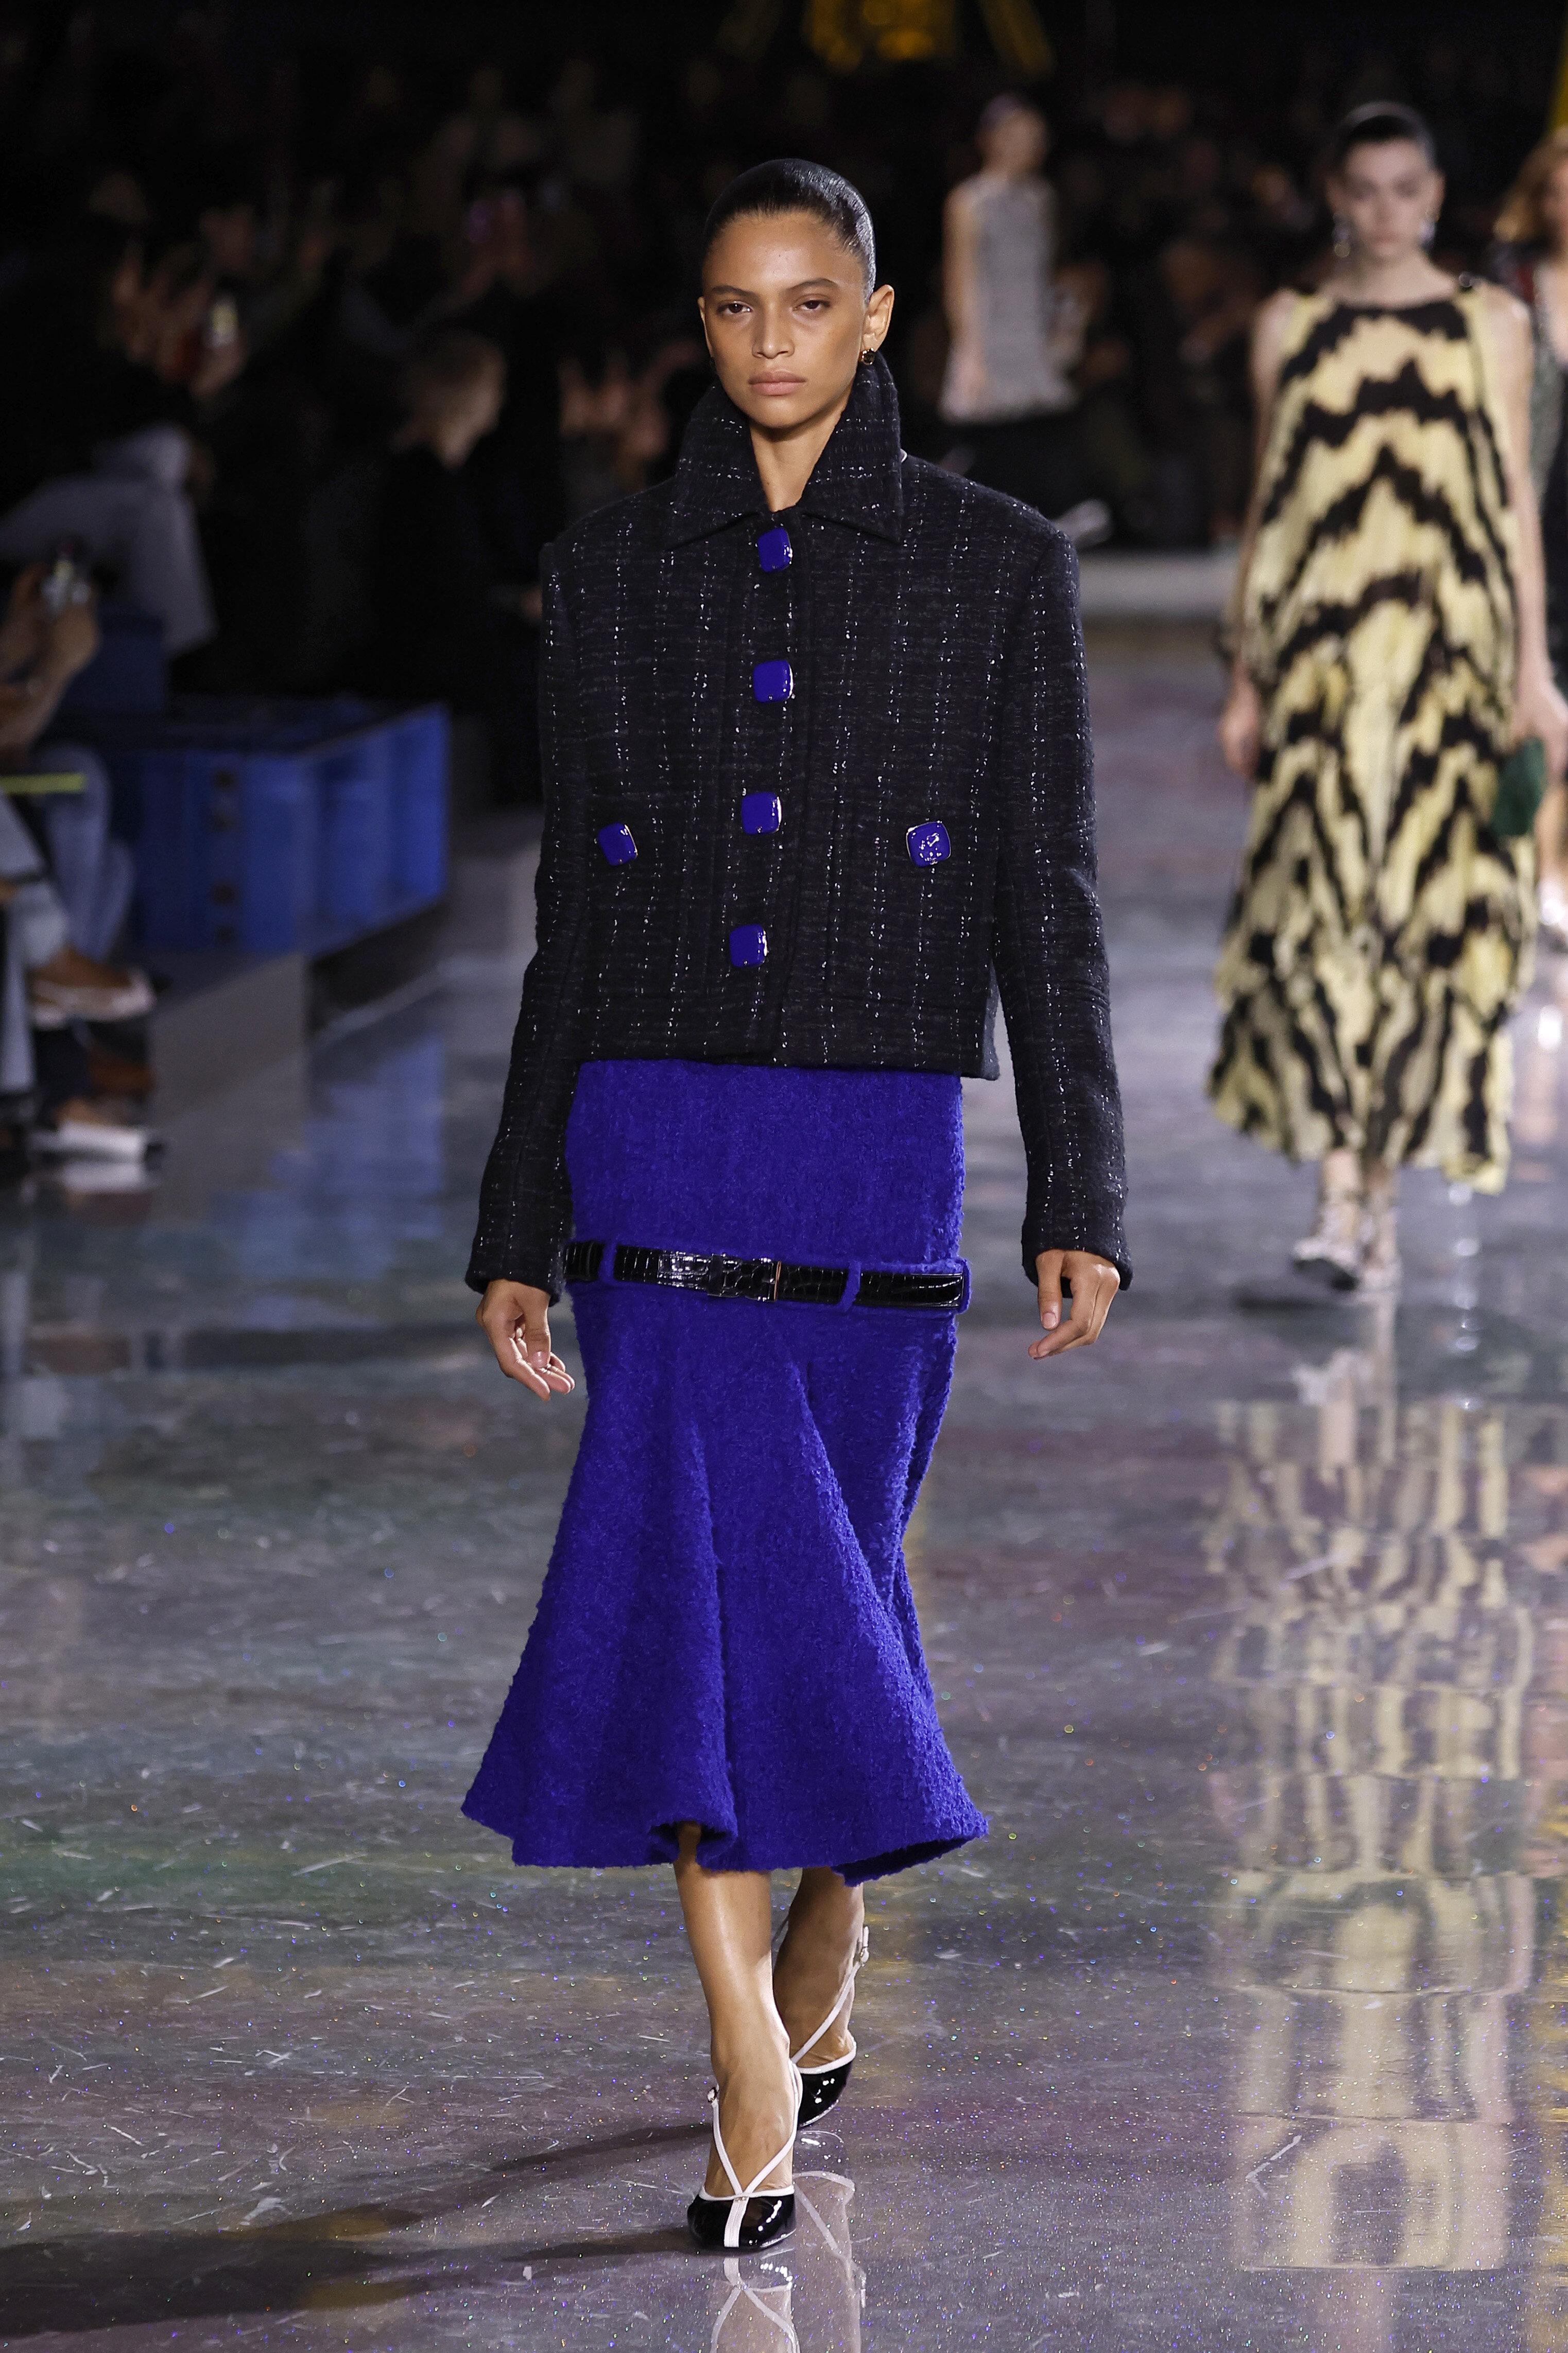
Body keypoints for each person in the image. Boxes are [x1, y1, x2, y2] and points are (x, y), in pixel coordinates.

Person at [463, 159, 1128, 2253]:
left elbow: (1043, 889)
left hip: (869, 1140)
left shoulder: (993, 564)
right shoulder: (608, 567)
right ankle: (744, 2044)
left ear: (875, 317)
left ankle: (836, 1892)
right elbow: (572, 913)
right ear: (702, 323)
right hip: (657, 1129)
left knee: (825, 1566)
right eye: (734, 304)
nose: (769, 340)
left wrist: (1077, 1177)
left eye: (808, 300)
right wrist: (515, 1208)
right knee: (691, 1568)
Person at [1212, 102, 1568, 1294]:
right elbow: (1270, 505)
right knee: (1321, 919)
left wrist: (1531, 672)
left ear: (1434, 196)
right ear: (1335, 196)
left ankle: (1376, 1196)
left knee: (1418, 925)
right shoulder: (1290, 325)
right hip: (1321, 663)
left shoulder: (1489, 324)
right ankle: (1336, 1197)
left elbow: (1513, 501)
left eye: (1404, 189)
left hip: (1448, 665)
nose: (1384, 212)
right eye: (1362, 190)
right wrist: (1243, 672)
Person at [939, 96, 1107, 542]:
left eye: (1035, 138)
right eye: (1016, 136)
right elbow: (961, 278)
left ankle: (1046, 516)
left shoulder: (1040, 198)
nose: (1028, 146)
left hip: (1030, 322)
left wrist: (1063, 320)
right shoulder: (968, 201)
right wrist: (970, 350)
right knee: (989, 428)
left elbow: (1046, 267)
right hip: (990, 326)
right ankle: (960, 519)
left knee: (1039, 418)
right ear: (989, 140)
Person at [1492, 128, 1568, 947]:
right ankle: (1543, 870)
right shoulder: (1510, 291)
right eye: (1558, 192)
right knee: (1539, 686)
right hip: (1537, 512)